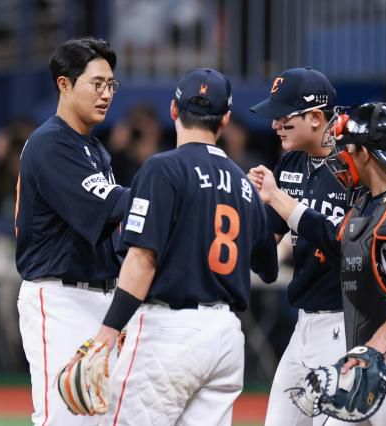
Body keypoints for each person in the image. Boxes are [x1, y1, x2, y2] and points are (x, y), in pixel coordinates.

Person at [65, 68, 278, 425]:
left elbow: (141, 259)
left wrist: (107, 331)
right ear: (225, 119)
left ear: (174, 110)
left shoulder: (163, 168)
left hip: (170, 332)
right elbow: (268, 267)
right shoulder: (243, 184)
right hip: (225, 338)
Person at [250, 102, 386, 425]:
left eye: (349, 149)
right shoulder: (364, 206)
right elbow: (329, 237)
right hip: (368, 357)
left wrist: (374, 346)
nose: (342, 157)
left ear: (367, 154)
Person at [15, 37, 129, 426]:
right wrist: (167, 194)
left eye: (111, 84)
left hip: (98, 298)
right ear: (64, 84)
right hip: (60, 298)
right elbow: (109, 206)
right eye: (96, 84)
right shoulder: (51, 143)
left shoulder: (93, 148)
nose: (106, 94)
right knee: (65, 419)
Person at [249, 67, 350, 426]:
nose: (275, 124)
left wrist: (278, 198)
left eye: (284, 116)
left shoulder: (357, 163)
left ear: (316, 117)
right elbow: (267, 255)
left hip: (348, 323)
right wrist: (248, 212)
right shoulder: (291, 161)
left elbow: (349, 248)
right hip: (305, 322)